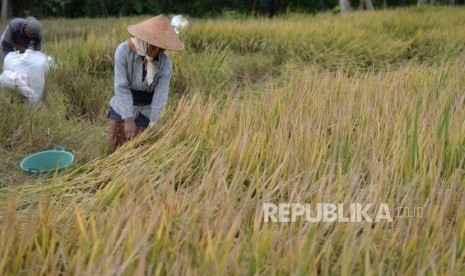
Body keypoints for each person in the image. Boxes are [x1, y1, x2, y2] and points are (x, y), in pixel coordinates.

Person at [108, 15, 184, 148]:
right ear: (144, 40)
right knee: (115, 147)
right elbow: (121, 87)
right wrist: (128, 118)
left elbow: (160, 96)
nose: (156, 52)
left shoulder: (165, 64)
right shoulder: (123, 51)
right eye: (154, 47)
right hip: (123, 106)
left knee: (141, 151)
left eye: (161, 49)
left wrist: (154, 124)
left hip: (147, 110)